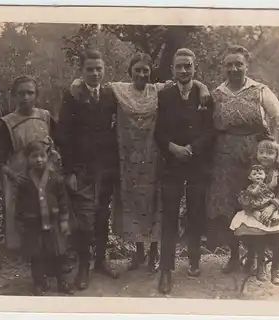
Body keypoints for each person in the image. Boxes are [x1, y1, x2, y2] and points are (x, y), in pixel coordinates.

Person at [68, 52, 211, 273]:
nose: (142, 74)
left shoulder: (158, 90)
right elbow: (91, 83)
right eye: (138, 70)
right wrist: (78, 80)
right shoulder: (119, 90)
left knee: (154, 203)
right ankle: (138, 251)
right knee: (134, 203)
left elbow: (187, 80)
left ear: (150, 72)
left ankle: (154, 253)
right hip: (128, 158)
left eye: (145, 70)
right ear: (130, 72)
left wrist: (203, 87)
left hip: (153, 155)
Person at [205, 44, 279, 275]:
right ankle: (234, 256)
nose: (234, 68)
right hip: (224, 159)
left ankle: (257, 258)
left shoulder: (260, 90)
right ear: (223, 68)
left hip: (256, 160)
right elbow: (206, 127)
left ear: (247, 66)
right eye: (229, 65)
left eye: (239, 64)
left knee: (259, 203)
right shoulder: (216, 94)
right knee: (229, 207)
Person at [56, 49, 120, 290]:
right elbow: (64, 135)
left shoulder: (110, 94)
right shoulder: (72, 96)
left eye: (98, 69)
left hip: (106, 167)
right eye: (89, 69)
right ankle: (84, 266)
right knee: (84, 221)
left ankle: (100, 261)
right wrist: (69, 171)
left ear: (104, 70)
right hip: (81, 169)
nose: (94, 73)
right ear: (81, 72)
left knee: (102, 216)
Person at [154, 48, 216, 294]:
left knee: (195, 212)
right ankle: (166, 270)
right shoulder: (164, 95)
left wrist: (192, 148)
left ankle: (193, 260)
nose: (183, 70)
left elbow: (211, 131)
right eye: (179, 66)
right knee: (169, 215)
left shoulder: (205, 96)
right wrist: (172, 148)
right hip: (172, 163)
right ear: (173, 69)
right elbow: (157, 130)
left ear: (194, 68)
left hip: (196, 162)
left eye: (188, 66)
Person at [0, 75, 59, 252]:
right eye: (21, 93)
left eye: (30, 93)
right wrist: (12, 175)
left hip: (45, 175)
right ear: (14, 96)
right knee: (23, 217)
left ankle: (49, 251)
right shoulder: (8, 122)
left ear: (36, 95)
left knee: (47, 212)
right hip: (21, 178)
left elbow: (59, 140)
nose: (26, 97)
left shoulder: (45, 116)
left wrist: (54, 152)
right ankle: (25, 254)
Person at [229, 138, 279, 285]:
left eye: (269, 153)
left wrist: (272, 206)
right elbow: (244, 193)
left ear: (277, 156)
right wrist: (254, 209)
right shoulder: (251, 172)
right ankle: (261, 264)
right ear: (256, 154)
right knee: (259, 232)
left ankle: (275, 267)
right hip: (256, 208)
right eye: (261, 152)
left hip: (277, 208)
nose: (264, 156)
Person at [15, 140, 74, 295]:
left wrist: (64, 220)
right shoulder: (24, 181)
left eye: (42, 156)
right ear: (27, 158)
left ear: (47, 157)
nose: (39, 160)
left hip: (53, 223)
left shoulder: (55, 179)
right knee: (37, 256)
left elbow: (63, 200)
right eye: (34, 156)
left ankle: (62, 282)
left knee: (58, 254)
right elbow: (19, 203)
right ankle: (39, 283)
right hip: (33, 225)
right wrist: (20, 221)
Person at [237, 163, 279, 228]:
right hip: (256, 205)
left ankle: (274, 219)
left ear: (265, 175)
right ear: (250, 177)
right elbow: (254, 193)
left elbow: (272, 185)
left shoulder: (264, 185)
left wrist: (275, 177)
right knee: (255, 213)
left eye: (260, 174)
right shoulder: (251, 187)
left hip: (266, 203)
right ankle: (264, 221)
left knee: (274, 210)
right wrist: (259, 185)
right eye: (254, 174)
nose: (258, 175)